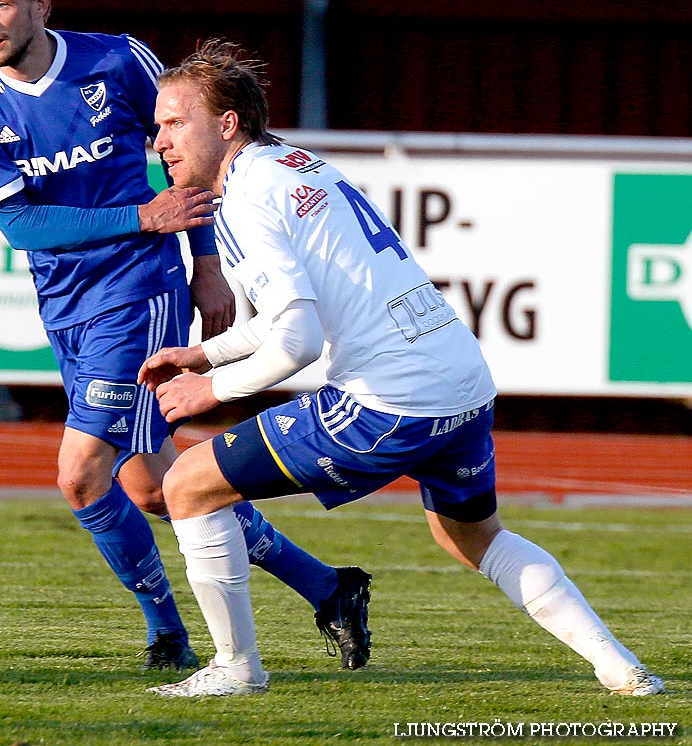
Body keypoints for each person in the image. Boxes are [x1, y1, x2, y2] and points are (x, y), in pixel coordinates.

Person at [139, 39, 666, 698]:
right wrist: (204, 353)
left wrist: (207, 389)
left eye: (174, 122)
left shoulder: (246, 198)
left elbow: (297, 341)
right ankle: (623, 668)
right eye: (157, 125)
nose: (159, 139)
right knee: (473, 538)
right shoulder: (295, 164)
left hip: (390, 399)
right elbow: (293, 318)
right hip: (461, 380)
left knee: (188, 483)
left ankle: (235, 668)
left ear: (228, 123)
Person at [0, 0, 373, 672]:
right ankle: (328, 585)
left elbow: (190, 163)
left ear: (42, 5)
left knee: (78, 472)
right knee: (154, 489)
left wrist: (204, 262)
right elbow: (24, 227)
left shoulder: (119, 63)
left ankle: (168, 635)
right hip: (65, 302)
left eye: (2, 3)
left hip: (137, 292)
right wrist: (142, 213)